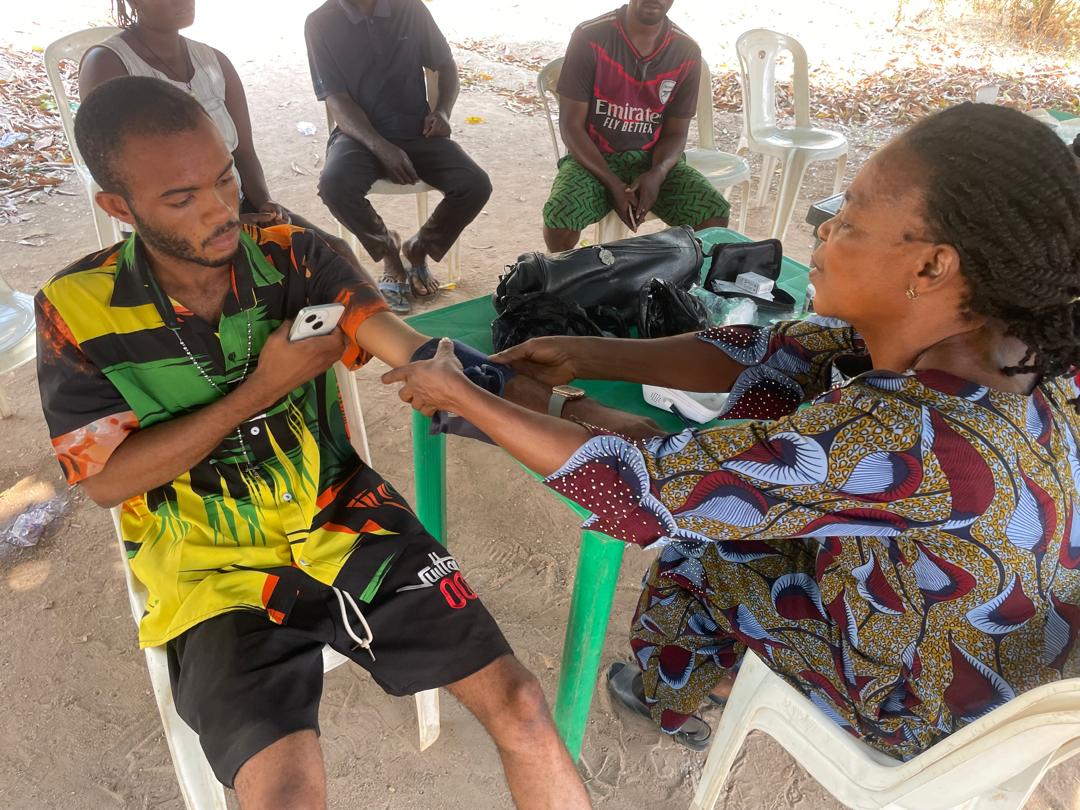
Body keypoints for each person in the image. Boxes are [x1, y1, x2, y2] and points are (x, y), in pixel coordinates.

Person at [385, 102, 1080, 758]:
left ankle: (674, 697)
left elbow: (638, 492)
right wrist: (584, 352)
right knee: (765, 419)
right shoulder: (1027, 354)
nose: (824, 230)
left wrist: (465, 397)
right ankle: (640, 457)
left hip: (931, 705)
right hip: (1015, 648)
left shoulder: (909, 437)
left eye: (849, 219)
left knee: (699, 550)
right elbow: (765, 350)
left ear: (930, 266)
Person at [34, 76, 594, 809]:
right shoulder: (76, 309)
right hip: (209, 568)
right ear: (119, 207)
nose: (219, 209)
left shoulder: (294, 254)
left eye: (224, 177)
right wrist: (262, 388)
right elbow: (107, 481)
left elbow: (412, 350)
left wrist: (567, 407)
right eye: (181, 198)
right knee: (288, 794)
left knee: (522, 705)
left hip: (346, 517)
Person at [305, 0, 492, 313]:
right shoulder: (320, 22)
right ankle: (389, 253)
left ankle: (419, 247)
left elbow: (445, 66)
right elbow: (336, 100)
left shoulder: (410, 8)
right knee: (334, 186)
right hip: (357, 136)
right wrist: (381, 147)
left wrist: (442, 112)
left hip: (416, 129)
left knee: (475, 184)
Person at [542, 0, 730, 253]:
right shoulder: (591, 37)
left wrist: (658, 172)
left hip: (653, 160)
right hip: (595, 159)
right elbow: (571, 126)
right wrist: (612, 183)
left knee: (713, 214)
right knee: (560, 220)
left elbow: (677, 132)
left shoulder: (686, 51)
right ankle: (563, 274)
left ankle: (684, 275)